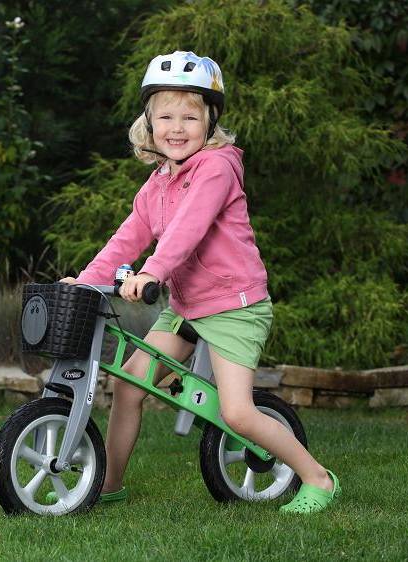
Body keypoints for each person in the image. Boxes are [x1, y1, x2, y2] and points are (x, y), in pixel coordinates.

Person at [59, 51, 340, 513]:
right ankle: (106, 484)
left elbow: (188, 230)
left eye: (190, 116)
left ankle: (317, 478)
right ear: (148, 124)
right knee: (130, 386)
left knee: (237, 413)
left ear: (210, 123)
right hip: (188, 308)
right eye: (165, 116)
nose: (176, 126)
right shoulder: (156, 184)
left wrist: (152, 272)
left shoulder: (217, 168)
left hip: (234, 306)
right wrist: (87, 283)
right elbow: (125, 239)